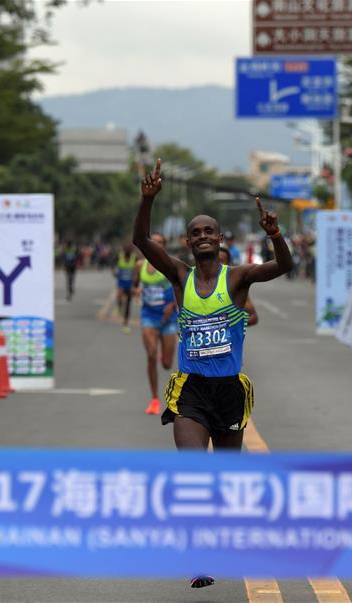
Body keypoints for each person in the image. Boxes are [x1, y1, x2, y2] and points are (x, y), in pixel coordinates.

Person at [133, 159, 292, 589]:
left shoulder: (238, 278)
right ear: (187, 242)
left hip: (229, 392)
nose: (203, 236)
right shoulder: (179, 277)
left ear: (220, 239)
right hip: (190, 390)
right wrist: (147, 199)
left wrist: (275, 235)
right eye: (196, 232)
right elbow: (141, 240)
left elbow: (282, 267)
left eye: (210, 231)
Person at [133, 233, 179, 415]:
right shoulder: (140, 266)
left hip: (168, 319)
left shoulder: (171, 265)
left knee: (167, 364)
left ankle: (163, 355)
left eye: (160, 243)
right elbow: (134, 285)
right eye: (154, 242)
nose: (157, 245)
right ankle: (154, 399)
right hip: (148, 317)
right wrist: (137, 290)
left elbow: (183, 288)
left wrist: (173, 305)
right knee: (151, 355)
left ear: (165, 246)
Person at [115, 243, 137, 333]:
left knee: (128, 303)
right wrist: (114, 271)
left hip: (130, 284)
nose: (127, 251)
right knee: (119, 296)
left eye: (129, 250)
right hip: (121, 282)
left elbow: (138, 268)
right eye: (126, 249)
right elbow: (113, 264)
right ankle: (119, 306)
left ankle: (126, 322)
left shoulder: (134, 258)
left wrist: (136, 282)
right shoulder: (119, 256)